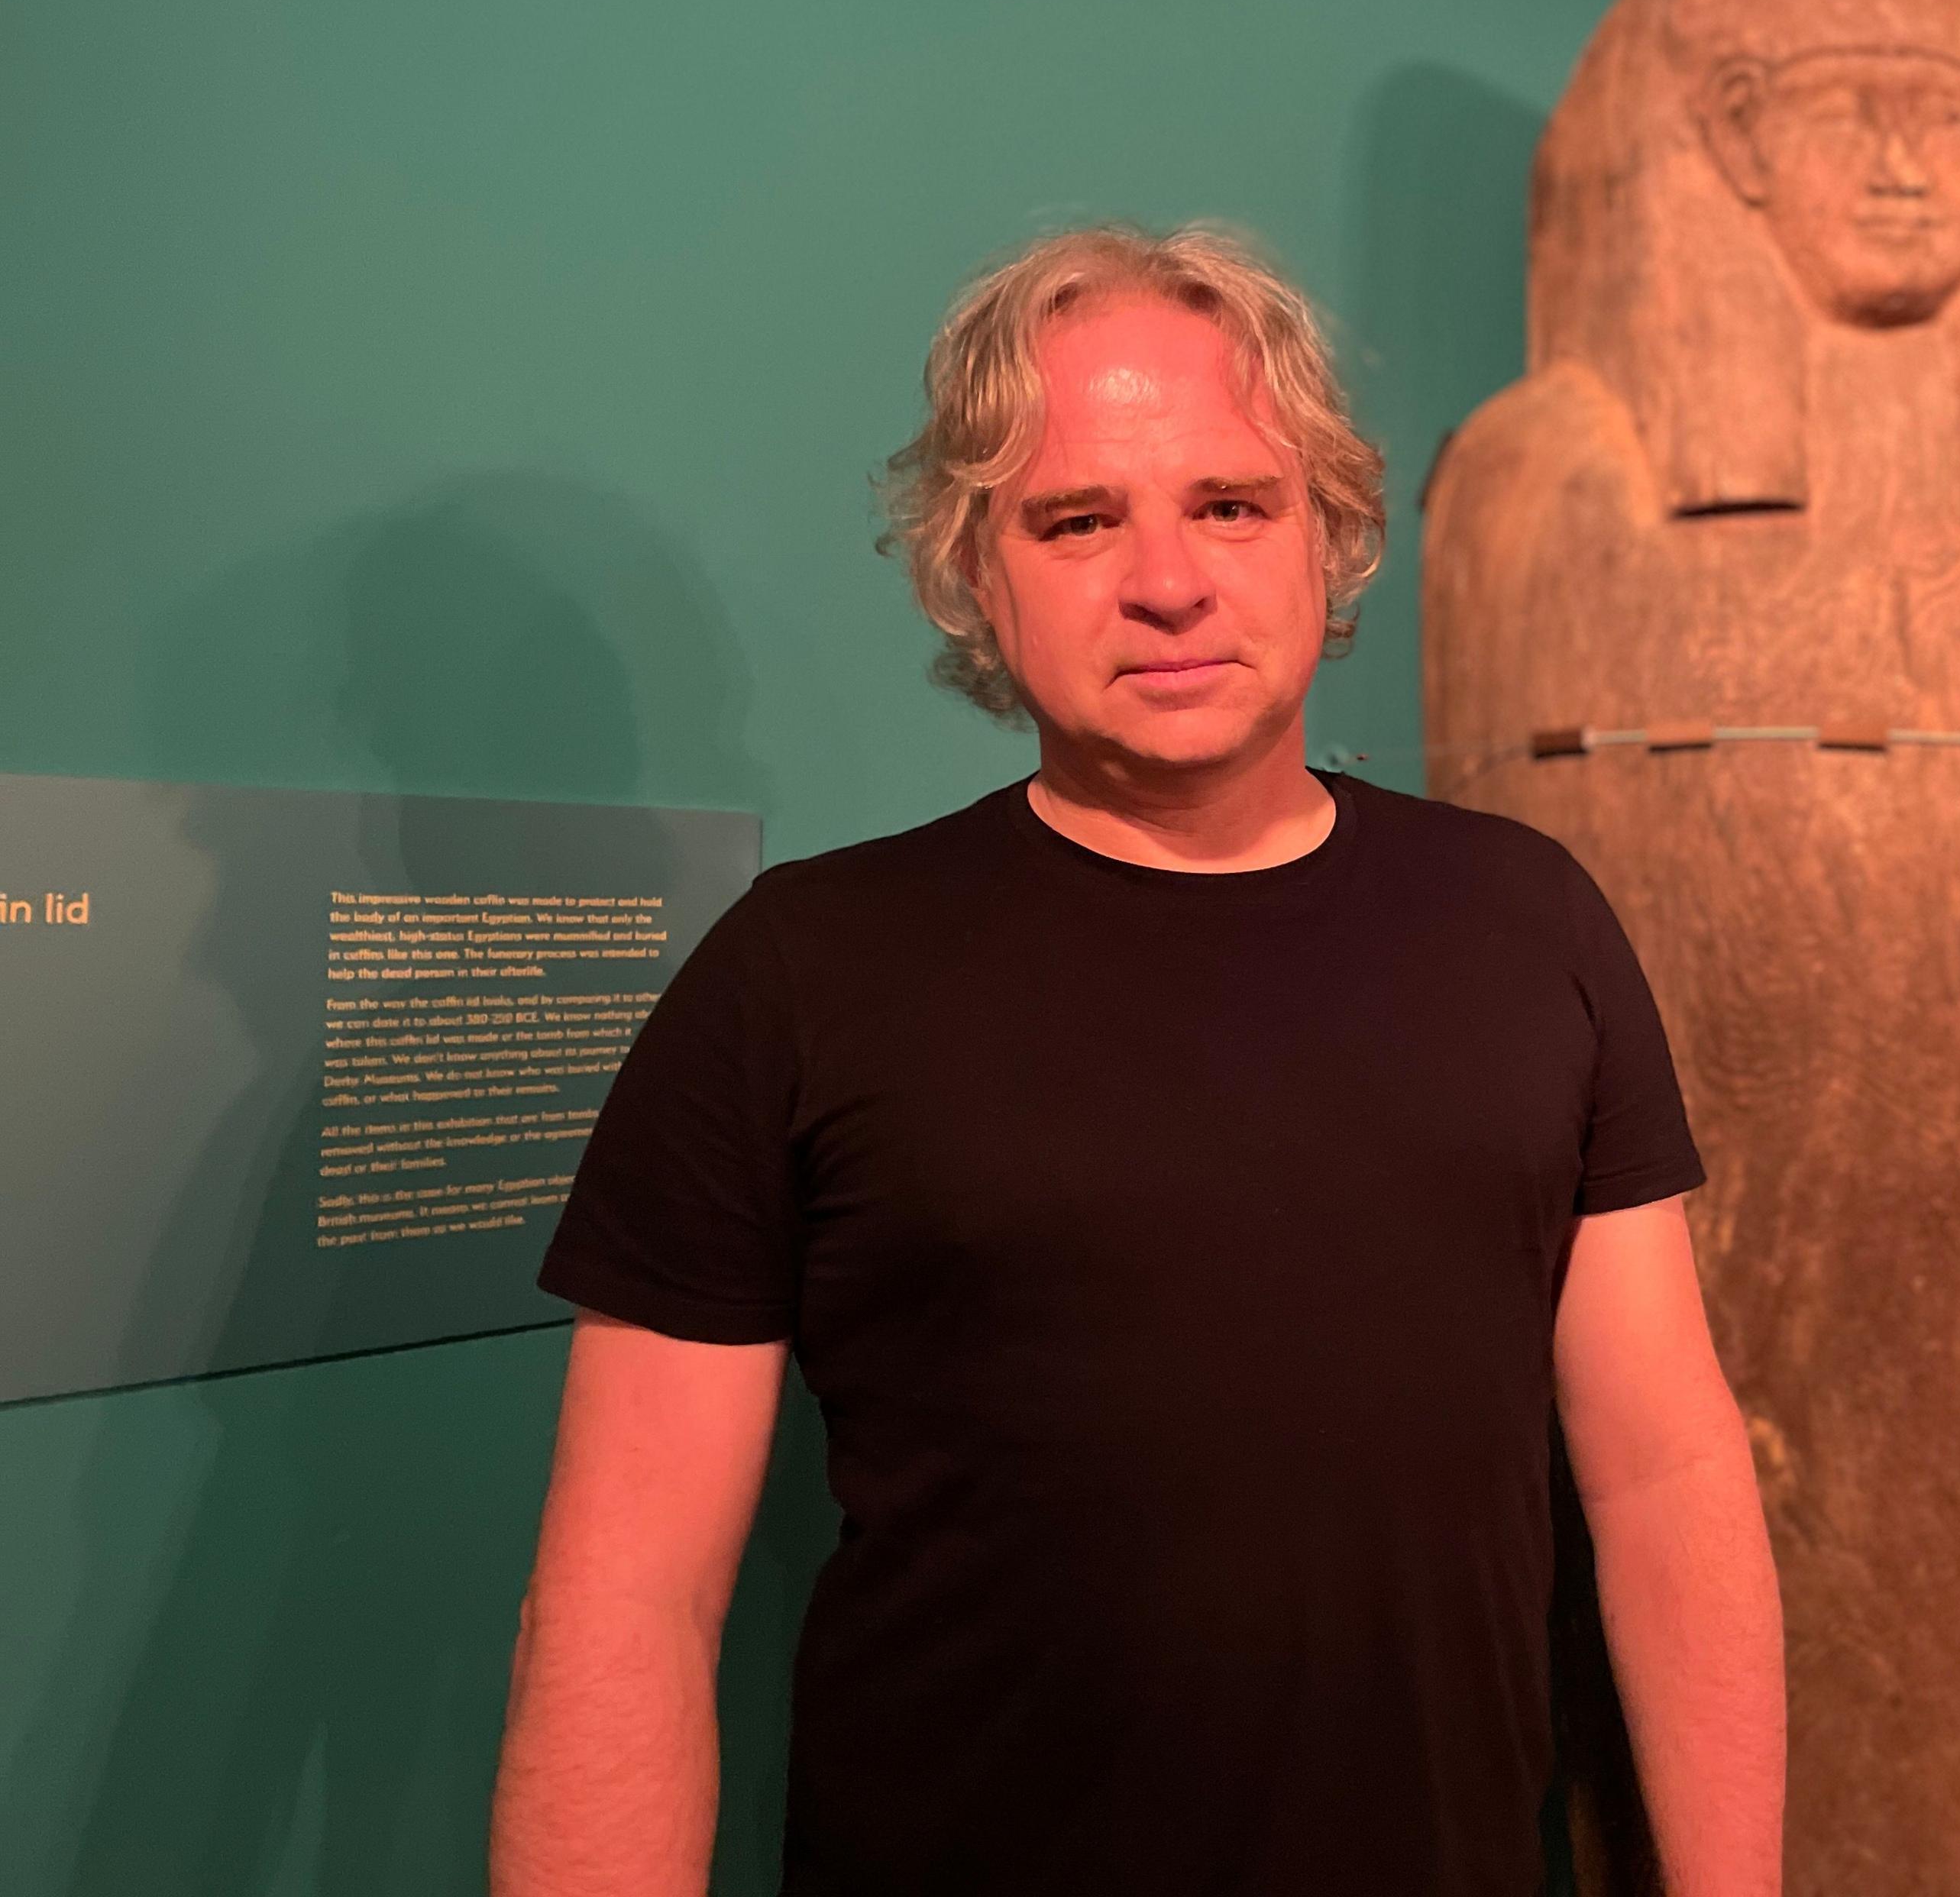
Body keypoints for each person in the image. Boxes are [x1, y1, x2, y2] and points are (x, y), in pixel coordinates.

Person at [487, 222, 1786, 1896]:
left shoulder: (1529, 923)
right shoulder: (801, 975)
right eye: (1076, 518)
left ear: (1326, 533)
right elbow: (623, 1600)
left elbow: (1669, 1479)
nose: (1166, 580)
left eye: (1231, 506)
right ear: (975, 569)